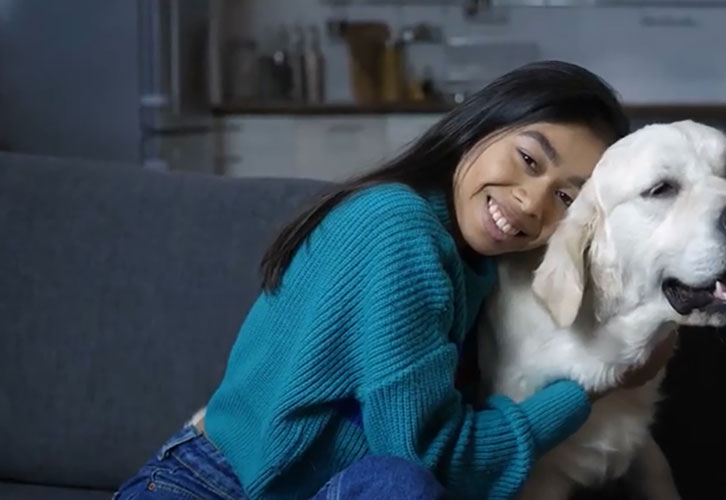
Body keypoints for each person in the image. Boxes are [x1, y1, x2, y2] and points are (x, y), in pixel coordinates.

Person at [114, 60, 677, 500]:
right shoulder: (397, 228)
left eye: (565, 197)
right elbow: (429, 458)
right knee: (398, 484)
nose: (531, 203)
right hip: (207, 486)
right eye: (529, 159)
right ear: (481, 127)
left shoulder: (480, 268)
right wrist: (601, 379)